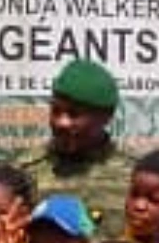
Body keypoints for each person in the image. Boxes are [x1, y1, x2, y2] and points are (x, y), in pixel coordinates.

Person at [8, 59, 135, 234]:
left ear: (105, 116)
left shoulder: (134, 174)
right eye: (56, 111)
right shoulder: (22, 171)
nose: (62, 123)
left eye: (74, 114)